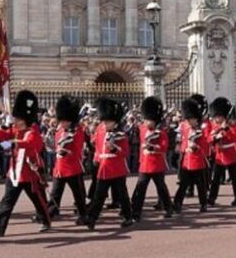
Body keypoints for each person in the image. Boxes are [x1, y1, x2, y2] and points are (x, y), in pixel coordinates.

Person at [0, 90, 52, 236]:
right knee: (7, 201)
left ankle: (46, 221)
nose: (16, 122)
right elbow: (0, 138)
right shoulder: (15, 130)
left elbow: (29, 145)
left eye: (18, 120)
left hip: (29, 172)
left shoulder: (32, 133)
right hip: (14, 172)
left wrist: (11, 142)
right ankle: (0, 227)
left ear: (25, 120)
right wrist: (0, 127)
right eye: (15, 119)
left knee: (38, 200)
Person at [86, 98, 133, 230]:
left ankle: (128, 217)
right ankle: (92, 218)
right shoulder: (100, 131)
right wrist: (96, 158)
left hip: (117, 169)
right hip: (104, 168)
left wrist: (114, 149)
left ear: (115, 121)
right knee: (98, 196)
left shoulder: (121, 135)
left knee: (122, 195)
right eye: (105, 121)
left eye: (109, 122)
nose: (106, 124)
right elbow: (97, 147)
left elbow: (125, 152)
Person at [131, 96, 173, 220]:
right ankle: (136, 211)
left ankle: (168, 208)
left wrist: (154, 147)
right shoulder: (142, 128)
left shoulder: (161, 132)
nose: (147, 122)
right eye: (146, 120)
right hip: (145, 164)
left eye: (150, 120)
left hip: (157, 164)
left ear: (155, 120)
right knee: (140, 188)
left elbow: (164, 147)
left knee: (161, 188)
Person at [48, 94, 88, 223]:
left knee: (79, 194)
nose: (61, 123)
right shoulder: (60, 131)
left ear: (70, 120)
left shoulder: (77, 131)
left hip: (72, 167)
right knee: (55, 193)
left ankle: (83, 215)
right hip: (60, 167)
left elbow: (77, 148)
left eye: (64, 121)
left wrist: (66, 150)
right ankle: (51, 212)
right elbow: (55, 145)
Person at [173, 98, 210, 213]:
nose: (190, 121)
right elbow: (182, 141)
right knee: (183, 184)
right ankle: (177, 203)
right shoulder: (184, 126)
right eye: (188, 119)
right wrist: (185, 149)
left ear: (196, 118)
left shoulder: (202, 129)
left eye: (192, 119)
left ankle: (203, 204)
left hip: (198, 161)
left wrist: (197, 147)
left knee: (201, 185)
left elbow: (205, 143)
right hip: (187, 161)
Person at [207, 97, 236, 207]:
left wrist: (226, 130)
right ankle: (212, 198)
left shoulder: (230, 126)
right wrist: (216, 136)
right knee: (215, 178)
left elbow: (235, 138)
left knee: (235, 178)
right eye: (216, 117)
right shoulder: (214, 126)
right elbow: (208, 138)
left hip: (230, 154)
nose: (217, 119)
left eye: (219, 117)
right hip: (219, 155)